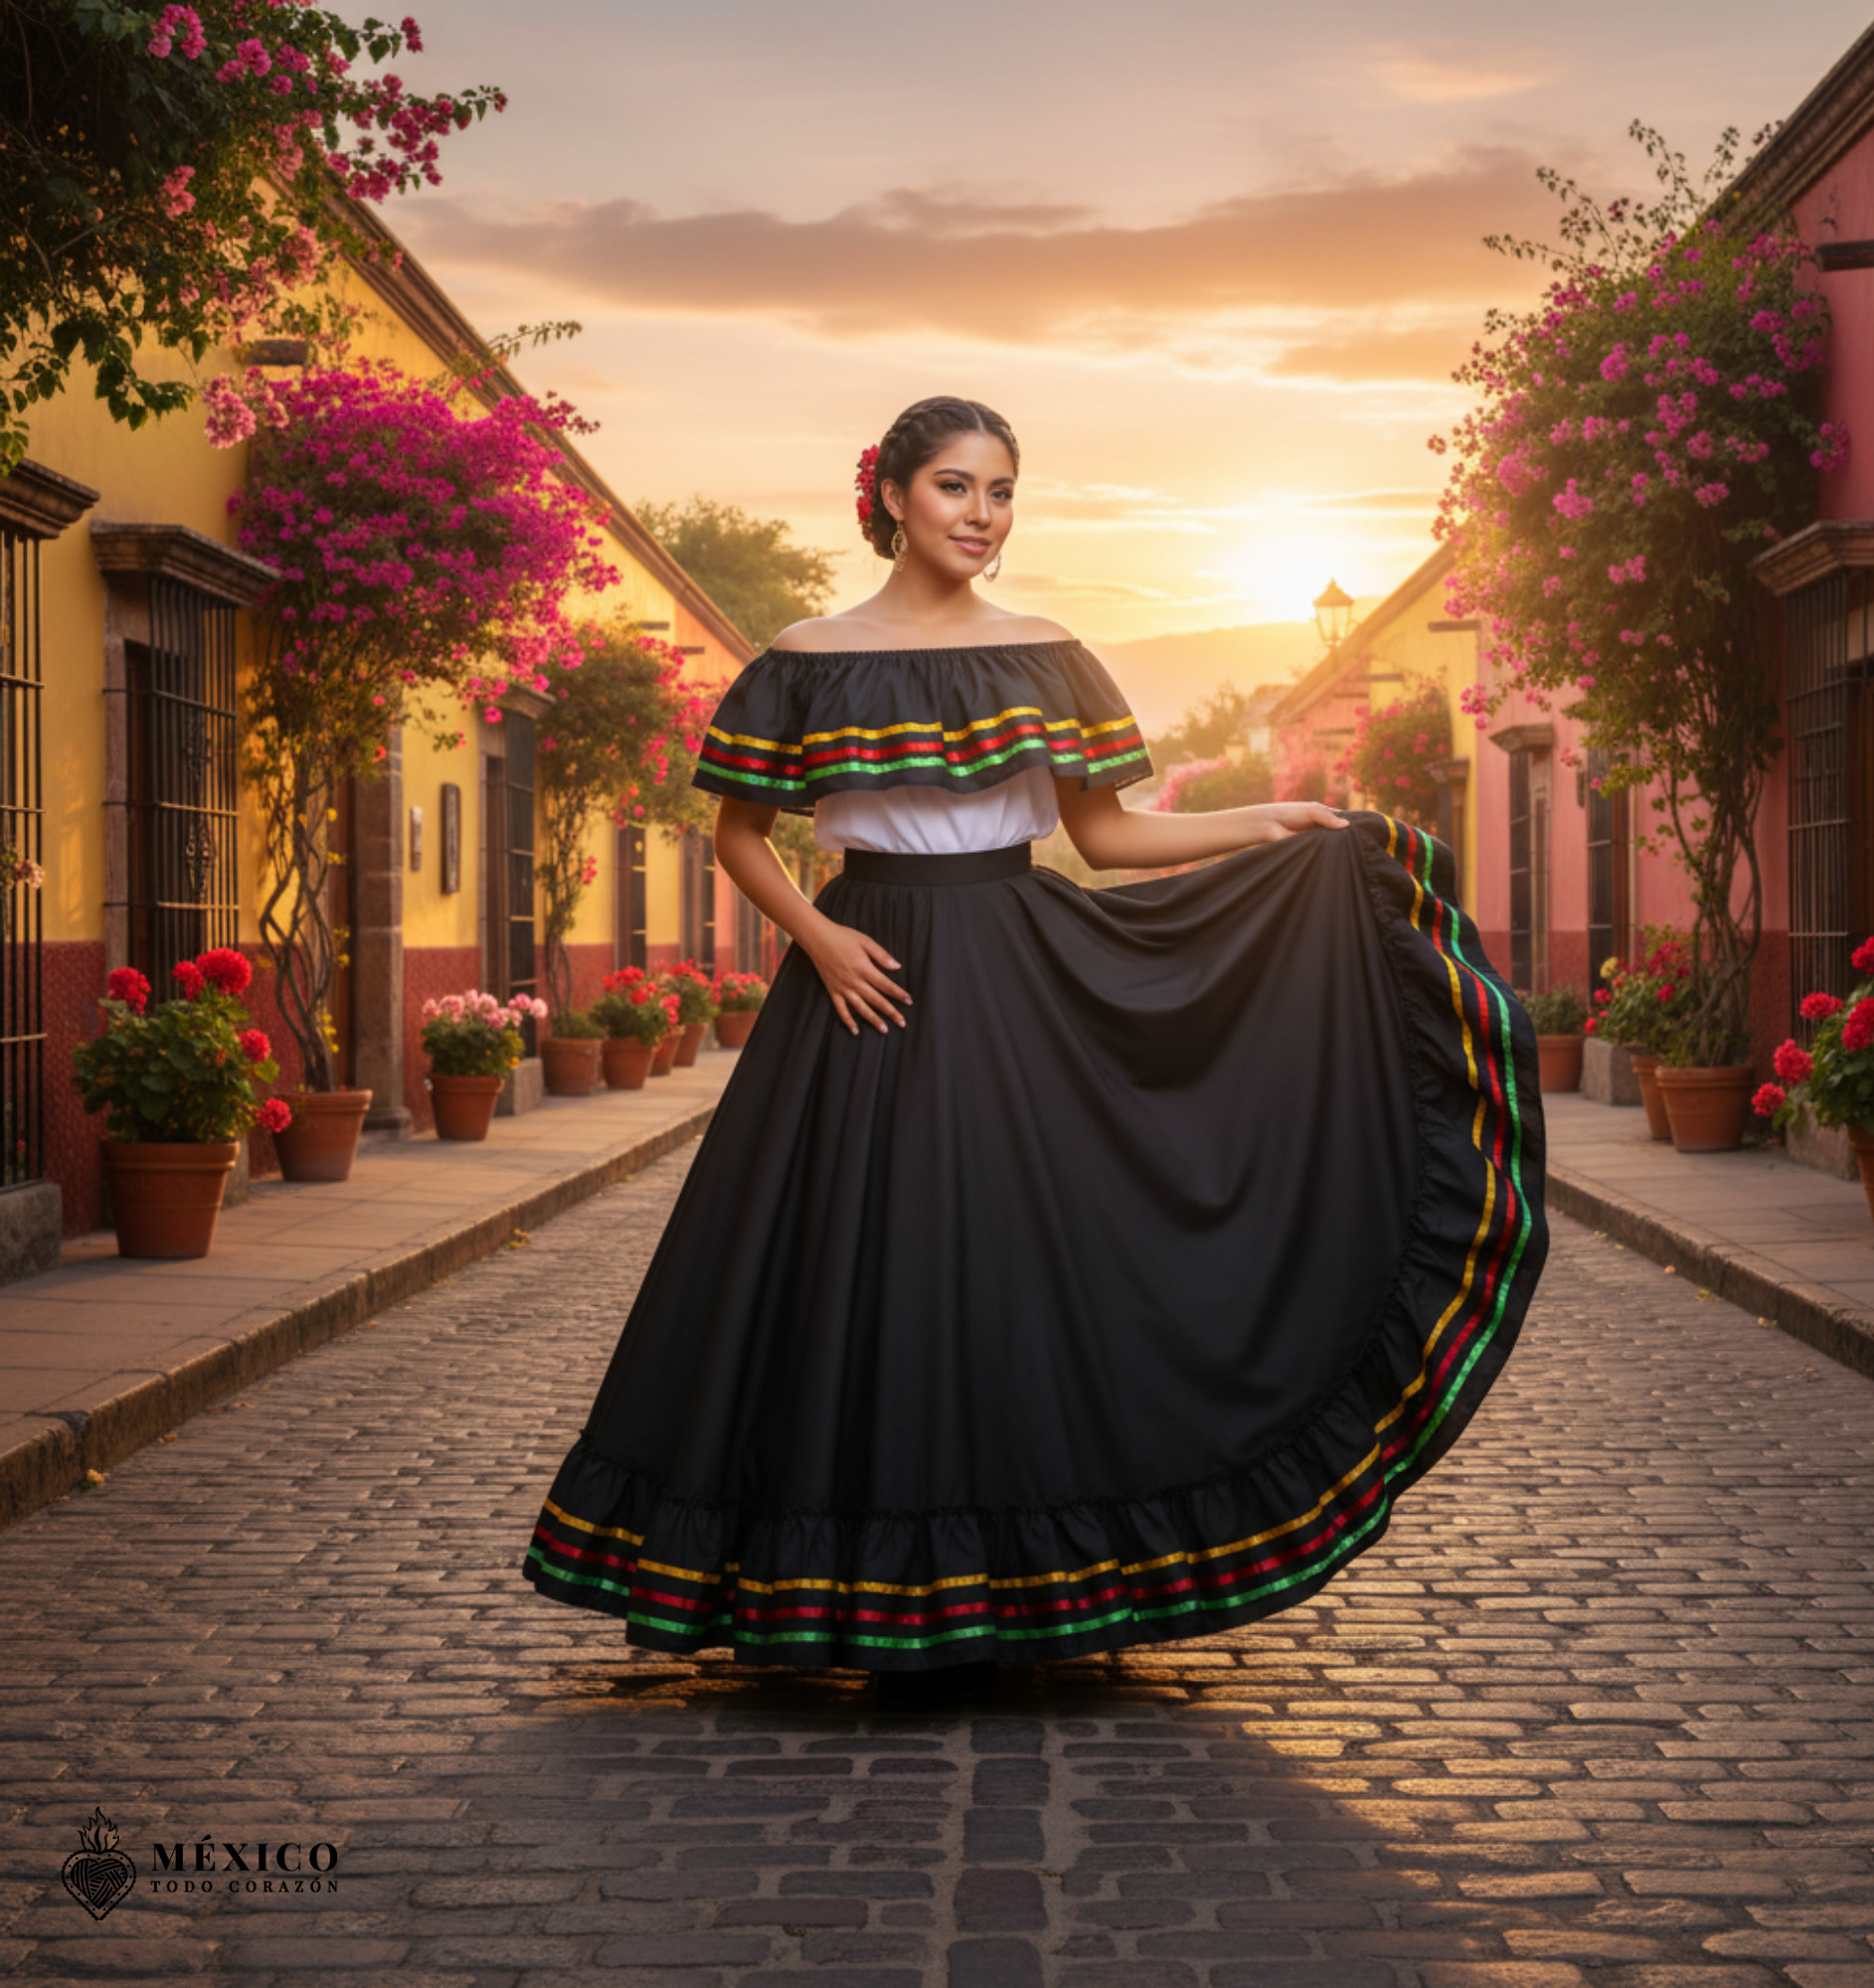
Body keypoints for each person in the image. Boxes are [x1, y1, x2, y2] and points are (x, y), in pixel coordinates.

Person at [523, 395, 1548, 1710]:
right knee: (857, 1272)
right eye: (956, 487)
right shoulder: (808, 655)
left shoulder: (1048, 651)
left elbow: (1108, 842)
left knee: (1023, 1270)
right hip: (865, 981)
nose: (982, 516)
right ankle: (853, 1584)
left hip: (1017, 972)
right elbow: (741, 838)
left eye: (1002, 493)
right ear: (891, 494)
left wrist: (1267, 821)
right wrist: (816, 944)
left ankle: (1039, 1589)